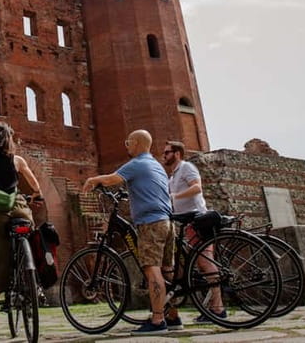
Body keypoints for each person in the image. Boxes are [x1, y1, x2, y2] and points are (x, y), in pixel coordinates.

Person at [82, 129, 181, 335]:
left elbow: (112, 179)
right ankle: (173, 317)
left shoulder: (137, 163)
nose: (126, 146)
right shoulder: (156, 165)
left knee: (151, 269)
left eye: (128, 142)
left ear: (136, 143)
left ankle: (157, 321)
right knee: (166, 270)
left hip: (151, 223)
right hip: (167, 222)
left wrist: (93, 180)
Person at [0, 122, 43, 343]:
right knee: (31, 237)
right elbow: (34, 183)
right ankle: (32, 275)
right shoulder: (17, 160)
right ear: (10, 141)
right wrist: (37, 195)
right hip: (20, 210)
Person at [161, 140, 224, 323]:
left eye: (167, 152)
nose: (164, 156)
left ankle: (218, 309)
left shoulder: (187, 167)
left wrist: (175, 196)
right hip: (186, 223)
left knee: (205, 263)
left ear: (177, 153)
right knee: (186, 265)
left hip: (198, 219)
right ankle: (208, 308)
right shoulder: (172, 176)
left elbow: (197, 188)